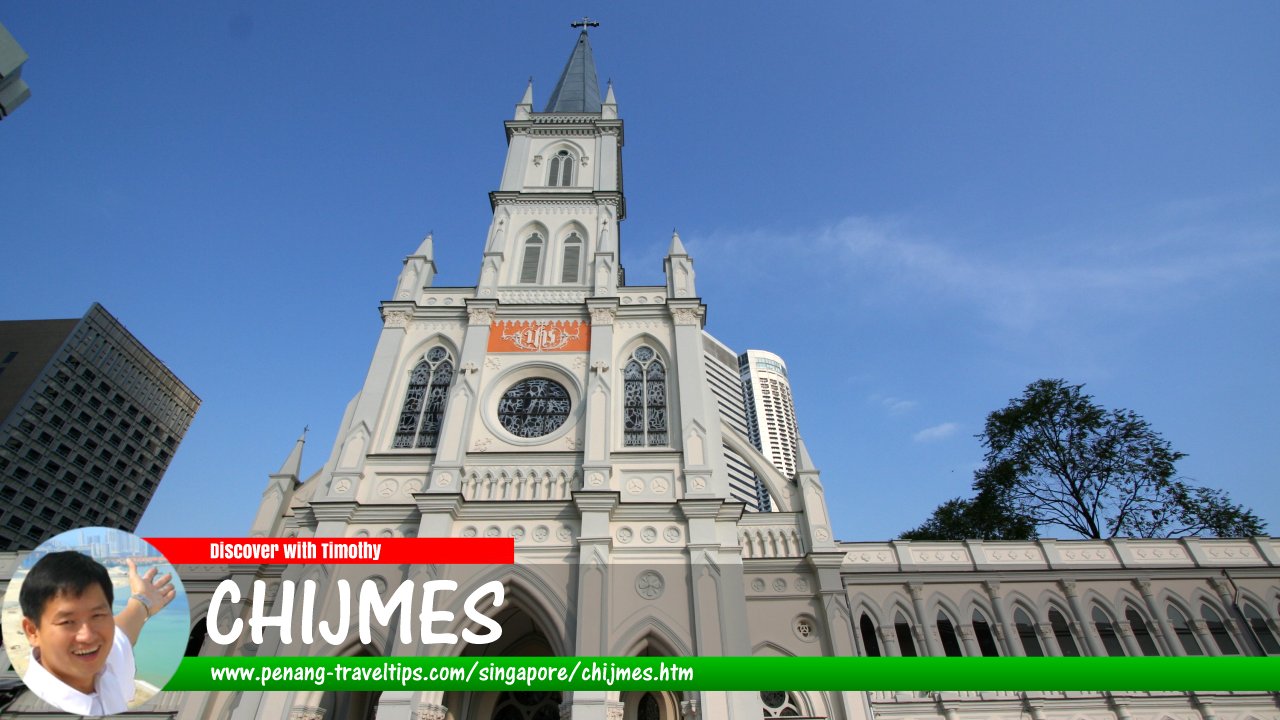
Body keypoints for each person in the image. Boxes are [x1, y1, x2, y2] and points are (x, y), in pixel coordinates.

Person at [18, 550, 176, 715]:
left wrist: (143, 600)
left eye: (97, 615)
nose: (88, 636)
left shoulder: (105, 666)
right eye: (67, 622)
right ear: (32, 631)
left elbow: (122, 633)